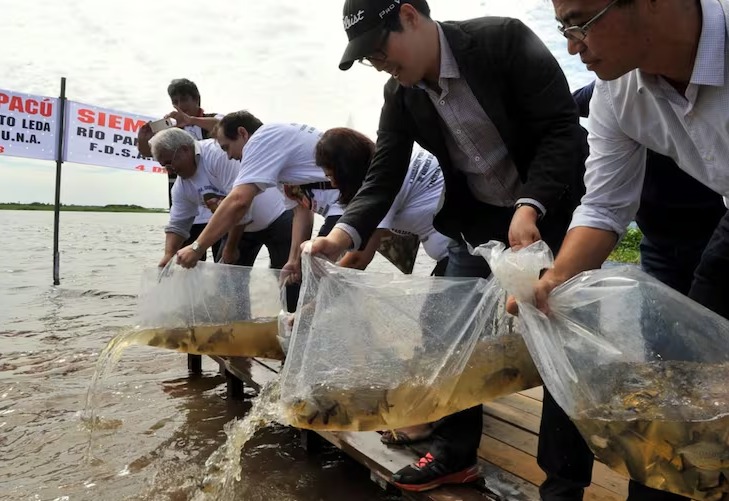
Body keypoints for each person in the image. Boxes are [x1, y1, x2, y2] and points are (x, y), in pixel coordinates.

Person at [307, 0, 588, 493]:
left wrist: (532, 204)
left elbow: (561, 128)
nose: (380, 64)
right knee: (448, 334)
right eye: (369, 58)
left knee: (562, 343)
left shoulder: (502, 41)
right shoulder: (400, 95)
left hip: (555, 210)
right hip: (476, 223)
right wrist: (339, 236)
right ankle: (455, 453)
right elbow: (383, 173)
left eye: (380, 49)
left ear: (411, 16)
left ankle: (562, 485)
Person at [510, 1, 729, 499]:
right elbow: (605, 206)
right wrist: (554, 280)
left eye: (579, 22)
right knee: (685, 390)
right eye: (564, 27)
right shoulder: (616, 93)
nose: (570, 44)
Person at [174, 112, 344, 290]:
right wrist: (293, 260)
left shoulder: (261, 138)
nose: (229, 156)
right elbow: (301, 210)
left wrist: (197, 247)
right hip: (342, 204)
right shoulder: (280, 160)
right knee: (316, 270)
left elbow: (239, 200)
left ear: (243, 133)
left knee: (322, 271)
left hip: (351, 201)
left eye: (227, 148)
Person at [148, 128, 292, 271]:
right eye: (163, 166)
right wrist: (169, 254)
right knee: (225, 282)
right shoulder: (181, 188)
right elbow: (178, 224)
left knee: (287, 275)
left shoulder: (217, 154)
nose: (169, 170)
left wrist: (228, 247)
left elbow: (241, 204)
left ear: (184, 150)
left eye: (169, 163)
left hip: (276, 217)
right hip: (238, 228)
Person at [316, 127, 451, 276]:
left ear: (347, 171)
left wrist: (321, 291)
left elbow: (358, 260)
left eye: (332, 176)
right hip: (458, 240)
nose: (334, 184)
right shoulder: (390, 156)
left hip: (460, 249)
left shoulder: (382, 185)